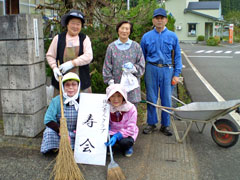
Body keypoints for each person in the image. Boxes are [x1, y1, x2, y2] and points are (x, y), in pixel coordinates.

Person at [140, 8, 182, 136]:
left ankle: (165, 125)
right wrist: (141, 72)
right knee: (151, 98)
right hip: (151, 68)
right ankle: (151, 123)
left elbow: (178, 56)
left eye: (162, 18)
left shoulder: (172, 36)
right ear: (153, 20)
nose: (159, 20)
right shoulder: (146, 37)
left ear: (166, 20)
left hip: (167, 69)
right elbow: (141, 56)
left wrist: (176, 74)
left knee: (166, 98)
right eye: (157, 18)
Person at [46, 9, 93, 96]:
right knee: (61, 107)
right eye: (72, 23)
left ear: (81, 26)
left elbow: (88, 56)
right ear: (67, 24)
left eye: (78, 24)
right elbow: (50, 55)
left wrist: (72, 63)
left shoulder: (84, 38)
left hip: (81, 81)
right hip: (62, 81)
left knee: (83, 107)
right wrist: (54, 68)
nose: (75, 26)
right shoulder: (58, 38)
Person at [102, 21, 145, 106]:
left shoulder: (136, 46)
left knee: (131, 112)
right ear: (118, 30)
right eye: (122, 28)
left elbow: (142, 65)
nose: (124, 31)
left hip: (132, 87)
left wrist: (133, 68)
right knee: (116, 113)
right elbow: (107, 66)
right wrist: (111, 83)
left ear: (130, 31)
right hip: (116, 87)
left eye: (127, 29)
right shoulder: (111, 47)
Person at [41, 72, 81, 154]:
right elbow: (48, 119)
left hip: (77, 133)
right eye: (67, 85)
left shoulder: (84, 99)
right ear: (63, 87)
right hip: (61, 133)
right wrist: (62, 132)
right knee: (48, 132)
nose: (70, 87)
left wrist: (82, 129)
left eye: (74, 84)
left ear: (78, 86)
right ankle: (56, 148)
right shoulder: (56, 100)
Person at [105, 83, 138, 157]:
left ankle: (128, 147)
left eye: (119, 96)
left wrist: (118, 136)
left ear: (124, 96)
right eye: (112, 96)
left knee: (125, 142)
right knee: (103, 138)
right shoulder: (106, 107)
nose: (116, 99)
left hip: (127, 133)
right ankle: (110, 147)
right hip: (112, 131)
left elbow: (131, 129)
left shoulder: (131, 109)